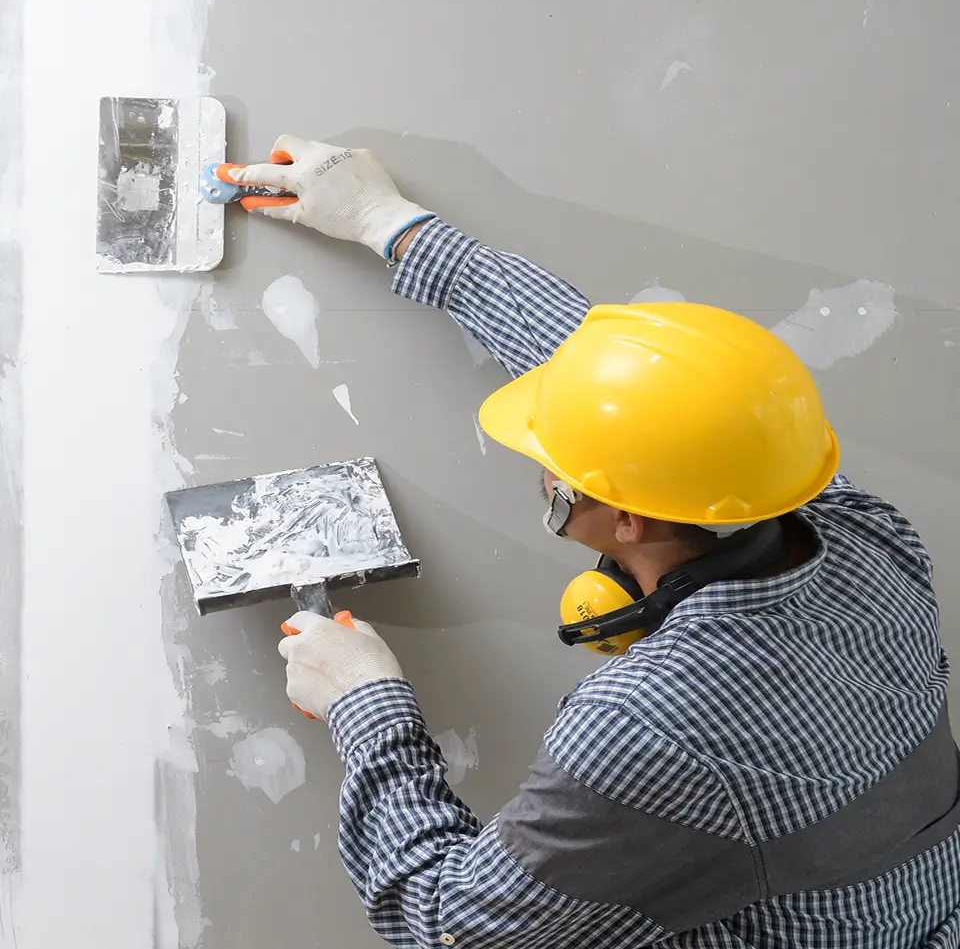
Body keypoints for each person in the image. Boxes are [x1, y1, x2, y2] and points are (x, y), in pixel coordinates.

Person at [232, 137, 960, 949]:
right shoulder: (861, 530)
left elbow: (452, 927)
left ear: (626, 521)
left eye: (553, 459)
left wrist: (365, 704)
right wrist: (391, 222)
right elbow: (624, 378)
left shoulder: (648, 724)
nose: (538, 457)